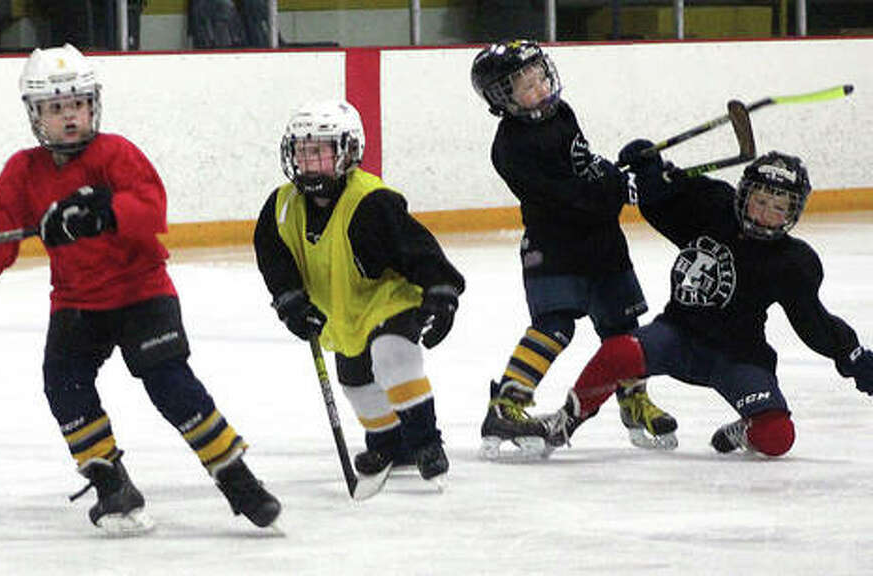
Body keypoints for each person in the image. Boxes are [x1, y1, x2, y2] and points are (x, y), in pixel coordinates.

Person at [0, 44, 280, 534]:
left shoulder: (116, 153)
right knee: (63, 383)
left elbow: (151, 210)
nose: (70, 117)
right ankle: (111, 484)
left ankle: (238, 479)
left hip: (142, 292)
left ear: (93, 104)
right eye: (56, 108)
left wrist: (103, 211)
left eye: (78, 104)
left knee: (168, 382)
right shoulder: (23, 170)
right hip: (77, 302)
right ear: (36, 114)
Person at [541, 149, 873, 456]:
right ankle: (566, 420)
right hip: (676, 336)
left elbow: (814, 323)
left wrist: (853, 358)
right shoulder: (712, 207)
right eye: (760, 201)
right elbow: (660, 207)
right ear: (744, 195)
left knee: (777, 437)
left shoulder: (793, 261)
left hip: (737, 358)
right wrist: (651, 172)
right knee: (619, 352)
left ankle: (745, 430)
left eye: (778, 208)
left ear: (793, 213)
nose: (765, 214)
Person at [469, 39, 678, 460]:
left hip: (601, 241)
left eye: (541, 77)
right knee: (554, 326)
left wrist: (622, 171)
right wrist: (621, 191)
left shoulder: (561, 113)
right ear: (502, 99)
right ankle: (506, 405)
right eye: (527, 86)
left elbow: (584, 165)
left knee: (622, 328)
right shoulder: (511, 147)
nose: (541, 88)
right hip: (555, 243)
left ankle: (634, 400)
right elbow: (568, 197)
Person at [253, 100, 465, 493]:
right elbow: (274, 259)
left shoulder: (371, 201)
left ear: (347, 151)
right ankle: (390, 445)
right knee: (355, 383)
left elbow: (415, 247)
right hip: (341, 311)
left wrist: (441, 288)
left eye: (318, 150)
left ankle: (425, 442)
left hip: (388, 298)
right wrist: (290, 301)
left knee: (392, 356)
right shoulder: (281, 207)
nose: (308, 160)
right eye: (302, 151)